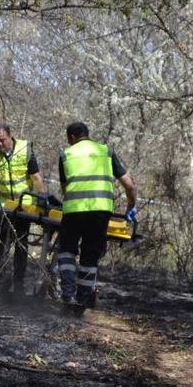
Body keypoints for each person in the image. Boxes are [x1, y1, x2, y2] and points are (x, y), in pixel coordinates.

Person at [56, 122, 136, 307]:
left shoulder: (66, 154)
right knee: (90, 255)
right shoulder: (106, 151)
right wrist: (131, 206)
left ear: (72, 137)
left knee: (67, 250)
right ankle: (83, 299)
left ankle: (68, 295)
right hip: (100, 212)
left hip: (74, 210)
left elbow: (64, 188)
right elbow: (129, 185)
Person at [0, 123, 46, 300]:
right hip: (2, 206)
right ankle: (1, 283)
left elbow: (36, 177)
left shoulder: (25, 150)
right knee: (2, 245)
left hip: (23, 207)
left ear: (10, 136)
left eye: (2, 140)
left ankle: (19, 284)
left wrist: (42, 198)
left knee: (21, 245)